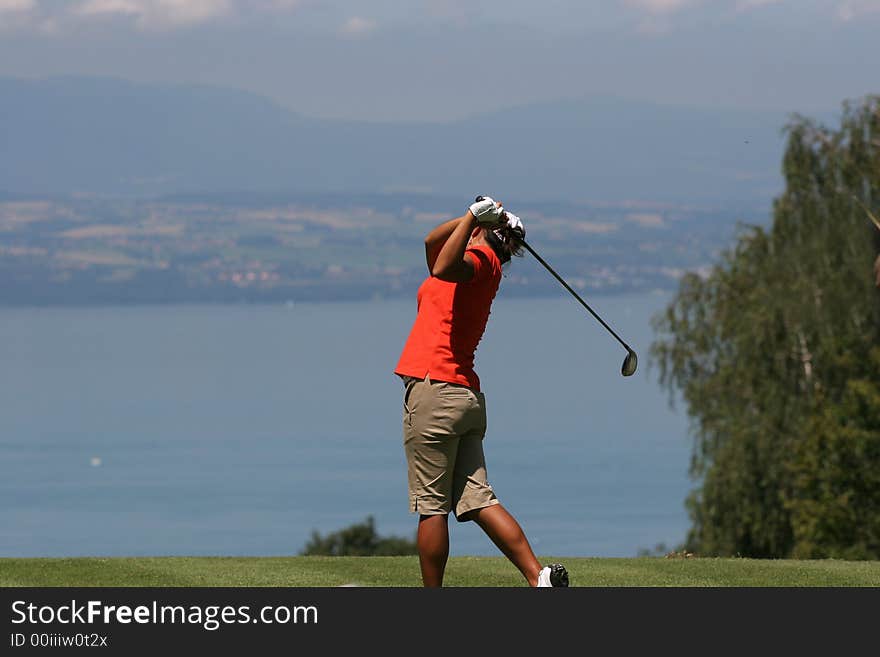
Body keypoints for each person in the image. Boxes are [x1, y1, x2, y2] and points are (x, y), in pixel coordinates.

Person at [393, 195, 569, 588]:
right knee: (478, 499)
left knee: (432, 507)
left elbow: (441, 262)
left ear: (488, 234)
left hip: (434, 391)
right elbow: (429, 243)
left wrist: (475, 217)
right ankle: (537, 577)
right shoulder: (475, 265)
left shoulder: (479, 263)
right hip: (462, 398)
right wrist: (472, 216)